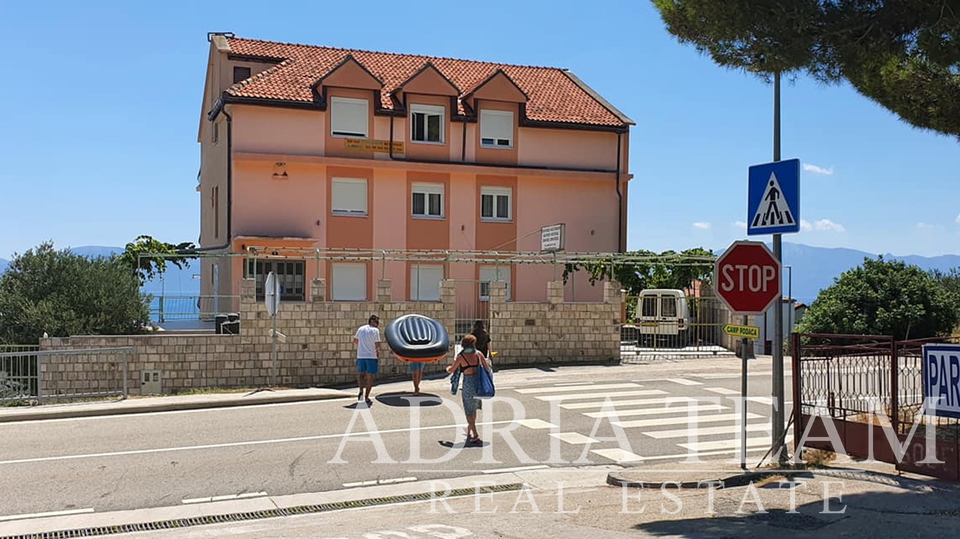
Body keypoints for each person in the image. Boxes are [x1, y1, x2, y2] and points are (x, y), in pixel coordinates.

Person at [446, 334, 491, 445]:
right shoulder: (479, 354)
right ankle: (470, 429)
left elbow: (452, 369)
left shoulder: (461, 356)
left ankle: (475, 434)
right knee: (474, 408)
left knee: (468, 410)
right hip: (478, 383)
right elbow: (487, 368)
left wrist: (447, 369)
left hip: (468, 383)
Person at [353, 315, 381, 406]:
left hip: (361, 356)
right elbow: (377, 344)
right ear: (375, 323)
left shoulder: (361, 329)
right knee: (370, 377)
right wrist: (378, 352)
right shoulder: (375, 330)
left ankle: (361, 390)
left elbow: (355, 341)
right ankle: (366, 397)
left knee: (361, 375)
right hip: (371, 356)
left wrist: (362, 346)